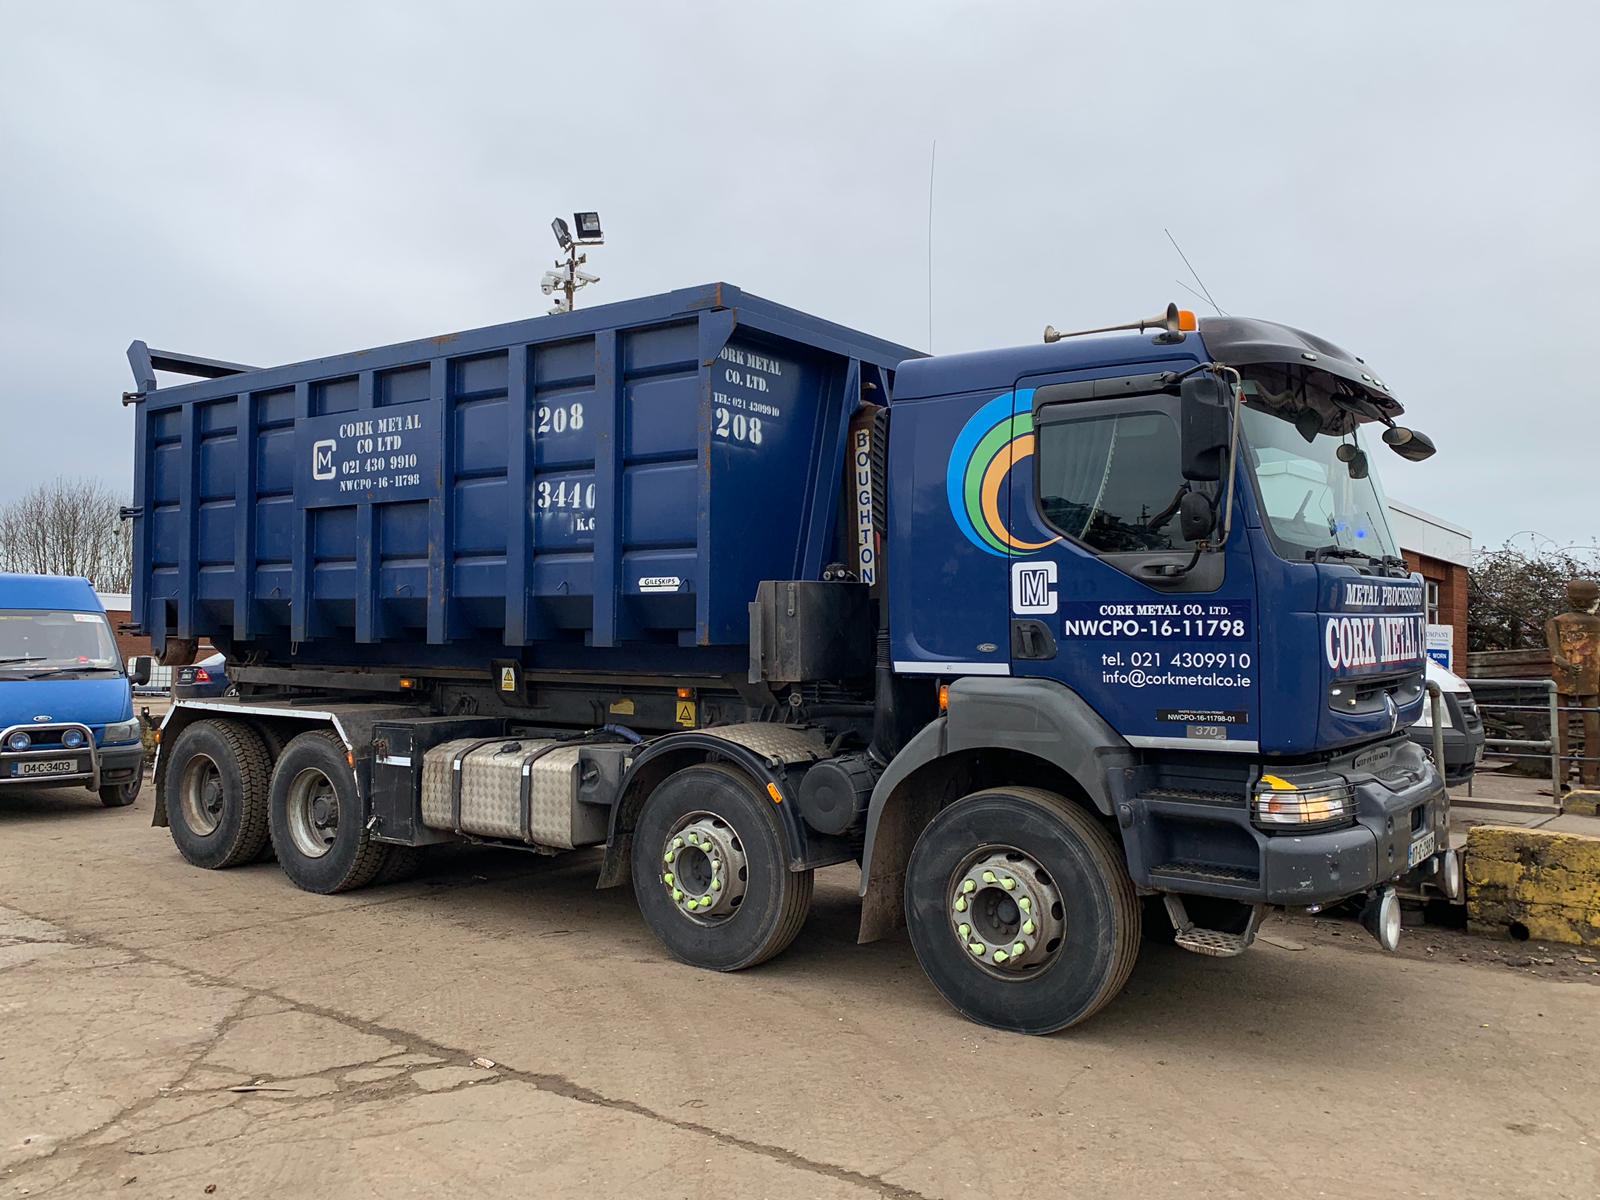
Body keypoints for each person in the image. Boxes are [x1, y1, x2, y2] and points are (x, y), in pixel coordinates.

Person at [1545, 578, 1600, 790]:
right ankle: (1574, 777)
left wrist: (1566, 665)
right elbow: (1556, 655)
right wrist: (1567, 665)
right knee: (1573, 730)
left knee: (1581, 730)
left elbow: (1556, 656)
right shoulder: (1557, 622)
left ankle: (1579, 777)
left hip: (1580, 681)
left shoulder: (1556, 622)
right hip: (1574, 681)